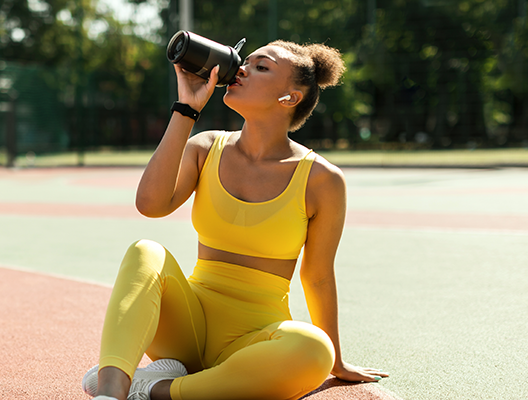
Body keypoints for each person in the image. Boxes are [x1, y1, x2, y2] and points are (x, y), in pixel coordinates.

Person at [81, 39, 389, 400]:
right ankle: (111, 391)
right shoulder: (206, 146)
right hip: (185, 330)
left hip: (252, 343)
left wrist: (336, 362)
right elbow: (150, 204)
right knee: (145, 250)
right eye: (247, 60)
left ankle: (155, 389)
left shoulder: (322, 179)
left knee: (314, 347)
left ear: (289, 98)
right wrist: (186, 109)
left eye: (262, 67)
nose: (241, 69)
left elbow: (317, 274)